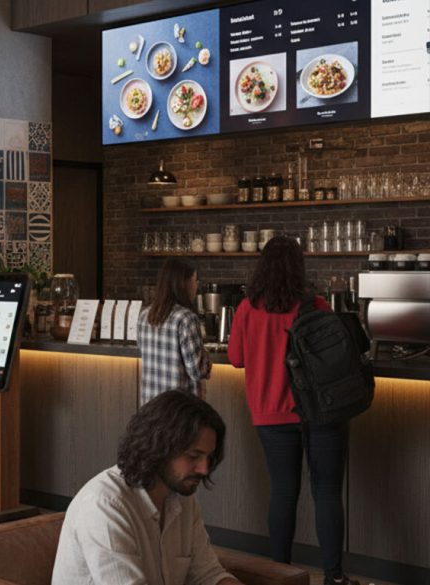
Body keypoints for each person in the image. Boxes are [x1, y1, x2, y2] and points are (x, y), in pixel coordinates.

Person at [227, 236, 358, 585]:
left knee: (283, 491)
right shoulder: (316, 305)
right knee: (327, 492)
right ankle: (334, 577)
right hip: (321, 413)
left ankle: (279, 573)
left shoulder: (246, 309)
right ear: (299, 267)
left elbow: (236, 359)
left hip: (270, 415)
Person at [52, 390, 241, 585]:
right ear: (159, 447)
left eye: (209, 458)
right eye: (193, 456)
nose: (204, 469)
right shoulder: (105, 506)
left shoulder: (183, 499)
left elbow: (208, 575)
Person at [137, 257, 211, 404]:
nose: (197, 286)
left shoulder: (144, 315)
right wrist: (206, 357)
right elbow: (196, 371)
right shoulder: (186, 318)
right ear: (184, 283)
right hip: (179, 411)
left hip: (150, 406)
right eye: (195, 280)